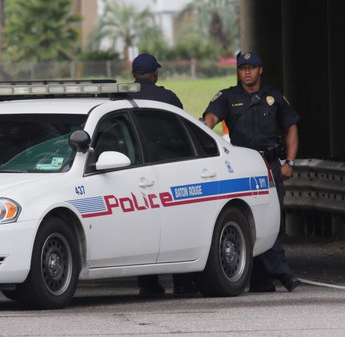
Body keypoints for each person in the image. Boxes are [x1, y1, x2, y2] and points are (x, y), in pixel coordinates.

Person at [202, 51, 301, 292]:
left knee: (272, 221)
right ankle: (281, 273)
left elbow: (291, 128)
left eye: (251, 67)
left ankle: (262, 278)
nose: (246, 71)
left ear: (260, 70)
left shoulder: (273, 97)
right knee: (249, 219)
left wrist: (290, 162)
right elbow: (209, 119)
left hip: (270, 167)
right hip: (243, 168)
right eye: (242, 67)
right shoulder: (227, 97)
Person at [128, 53, 195, 296]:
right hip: (171, 170)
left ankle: (148, 284)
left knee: (142, 227)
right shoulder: (169, 98)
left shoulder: (121, 97)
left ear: (133, 73)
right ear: (155, 74)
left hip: (134, 173)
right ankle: (183, 283)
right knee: (179, 226)